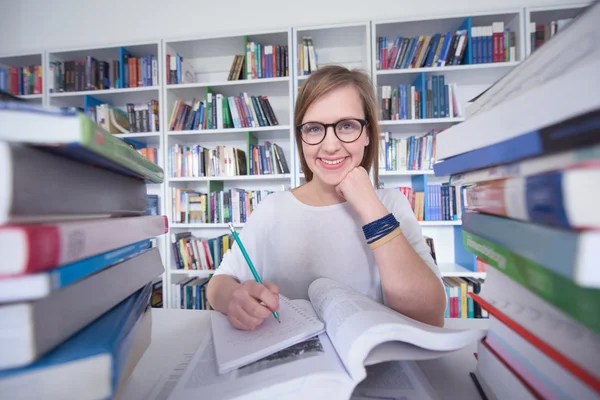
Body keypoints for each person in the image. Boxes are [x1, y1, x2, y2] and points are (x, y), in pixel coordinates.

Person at [206, 65, 447, 330]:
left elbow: (429, 316)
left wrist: (370, 208)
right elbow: (220, 281)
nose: (330, 146)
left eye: (346, 126)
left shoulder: (391, 204)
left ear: (367, 134)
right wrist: (232, 299)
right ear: (301, 137)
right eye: (313, 129)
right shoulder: (272, 208)